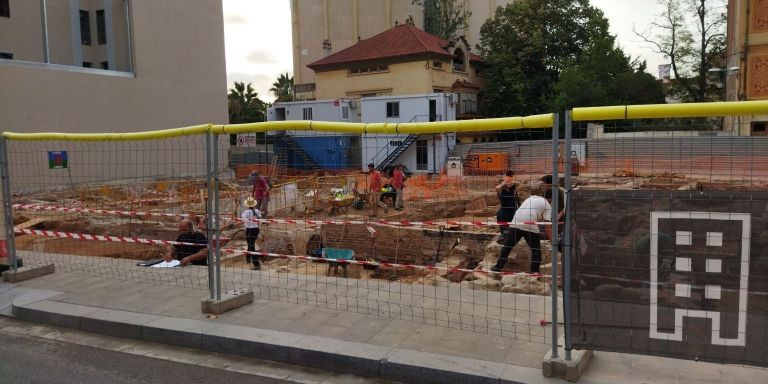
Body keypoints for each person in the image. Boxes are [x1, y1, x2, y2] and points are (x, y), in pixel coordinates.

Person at [491, 190, 553, 274]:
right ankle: (534, 272)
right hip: (529, 223)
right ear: (551, 199)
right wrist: (553, 241)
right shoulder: (548, 205)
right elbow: (547, 226)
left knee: (507, 246)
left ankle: (498, 267)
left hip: (516, 221)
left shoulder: (532, 197)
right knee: (535, 249)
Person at [495, 171, 519, 238]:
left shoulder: (513, 189)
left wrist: (509, 182)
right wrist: (504, 182)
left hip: (513, 211)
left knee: (513, 229)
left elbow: (518, 183)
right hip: (504, 212)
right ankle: (503, 235)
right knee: (504, 229)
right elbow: (497, 188)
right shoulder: (501, 192)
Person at [241, 196, 262, 270]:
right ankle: (248, 258)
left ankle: (256, 264)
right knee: (250, 245)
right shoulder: (257, 211)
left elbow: (244, 219)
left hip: (249, 230)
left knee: (251, 246)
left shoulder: (245, 212)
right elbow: (259, 217)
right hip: (256, 230)